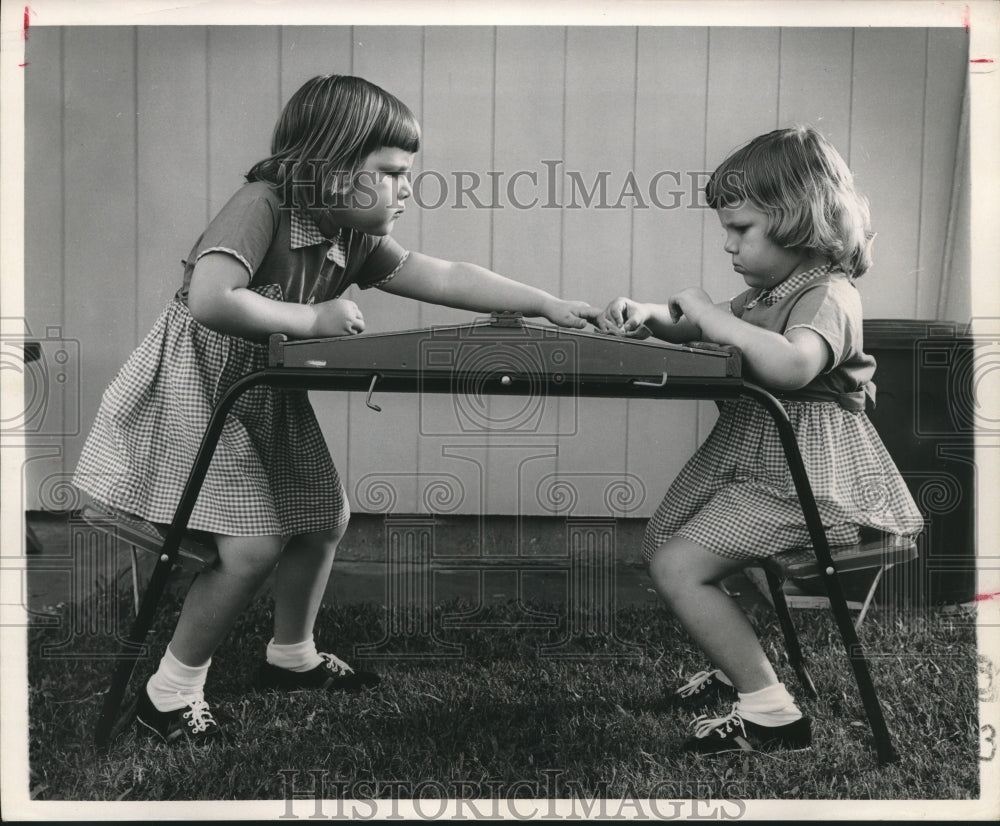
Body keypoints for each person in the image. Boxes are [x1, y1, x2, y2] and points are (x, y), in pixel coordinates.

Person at [73, 74, 600, 743]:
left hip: (261, 389)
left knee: (323, 515)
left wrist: (543, 302)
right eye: (389, 172)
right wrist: (311, 316)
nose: (405, 188)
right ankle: (169, 693)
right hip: (199, 386)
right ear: (327, 166)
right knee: (252, 545)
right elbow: (210, 298)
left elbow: (443, 274)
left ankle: (291, 657)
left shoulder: (348, 236)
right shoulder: (262, 203)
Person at [595, 126, 922, 754]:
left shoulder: (830, 294)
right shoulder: (771, 292)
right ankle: (733, 662)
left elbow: (790, 365)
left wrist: (710, 314)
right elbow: (703, 331)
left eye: (740, 229)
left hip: (807, 475)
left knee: (678, 565)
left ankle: (773, 713)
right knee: (664, 540)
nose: (728, 245)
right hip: (755, 452)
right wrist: (651, 315)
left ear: (798, 219)